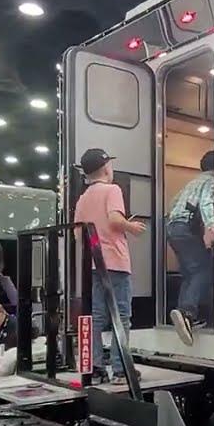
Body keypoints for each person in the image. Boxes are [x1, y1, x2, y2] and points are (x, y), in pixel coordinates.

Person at [73, 148, 146, 383]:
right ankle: (121, 368)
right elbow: (115, 219)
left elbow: (77, 234)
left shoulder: (83, 198)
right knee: (121, 316)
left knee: (96, 315)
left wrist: (96, 244)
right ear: (105, 168)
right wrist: (131, 227)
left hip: (93, 264)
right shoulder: (112, 190)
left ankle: (95, 367)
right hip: (115, 261)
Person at [166, 150, 214, 345]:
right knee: (204, 270)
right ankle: (187, 313)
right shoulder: (211, 180)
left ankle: (184, 320)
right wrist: (212, 225)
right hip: (185, 229)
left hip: (172, 228)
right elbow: (205, 202)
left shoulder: (193, 181)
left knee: (190, 273)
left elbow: (174, 202)